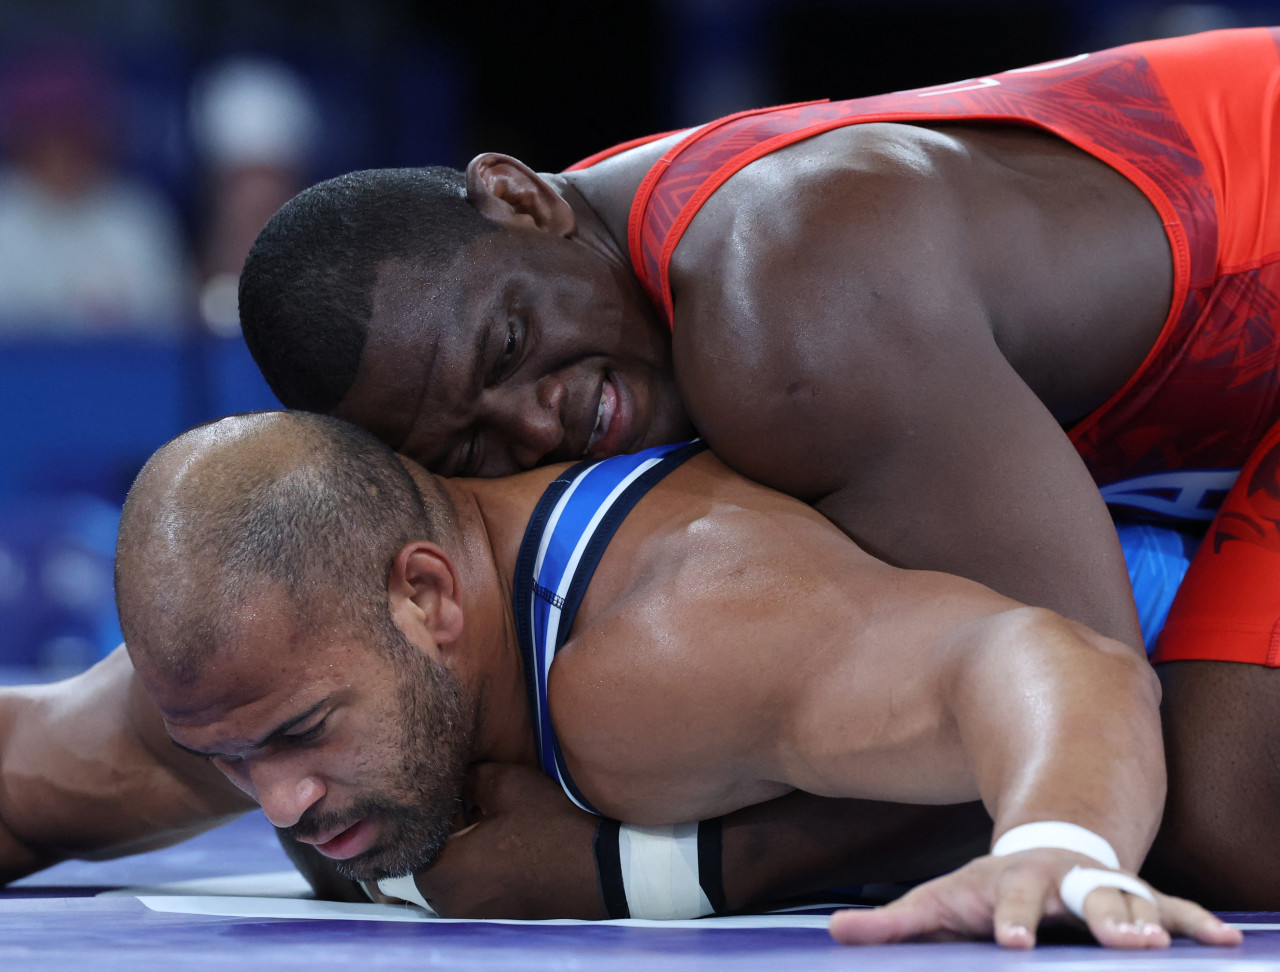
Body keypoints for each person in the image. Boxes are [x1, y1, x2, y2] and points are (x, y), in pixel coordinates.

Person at [235, 26, 1280, 904]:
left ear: (516, 196)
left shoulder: (781, 319)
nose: (540, 422)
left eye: (507, 347)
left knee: (1212, 814)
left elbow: (1080, 709)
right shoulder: (625, 238)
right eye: (472, 445)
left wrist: (619, 873)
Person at [0, 411, 1238, 950]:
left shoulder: (674, 635)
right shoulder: (260, 670)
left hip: (1199, 611)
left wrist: (1061, 837)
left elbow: (1052, 655)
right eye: (229, 759)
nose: (279, 804)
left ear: (425, 598)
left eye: (305, 734)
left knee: (1229, 833)